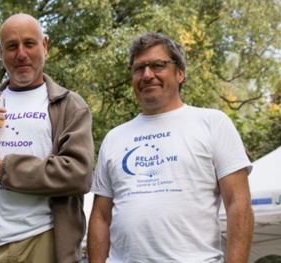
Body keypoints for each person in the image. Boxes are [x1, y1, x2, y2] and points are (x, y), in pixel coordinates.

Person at [0, 13, 95, 263]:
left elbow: (79, 174)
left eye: (29, 44)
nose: (21, 54)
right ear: (1, 52)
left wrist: (3, 168)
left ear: (44, 45)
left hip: (45, 242)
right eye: (12, 46)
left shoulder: (68, 105)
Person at [87, 32, 254, 263]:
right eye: (138, 69)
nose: (147, 75)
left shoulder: (213, 123)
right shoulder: (114, 138)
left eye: (158, 65)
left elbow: (239, 203)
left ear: (180, 73)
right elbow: (101, 217)